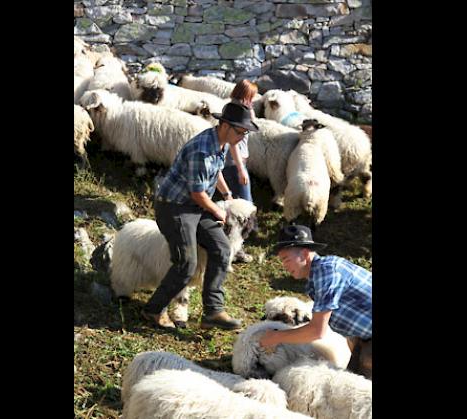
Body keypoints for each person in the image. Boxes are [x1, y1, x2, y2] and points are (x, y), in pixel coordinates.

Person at [141, 102, 259, 330]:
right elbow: (197, 192)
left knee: (222, 248)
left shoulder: (221, 143)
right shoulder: (201, 150)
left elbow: (216, 172)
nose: (242, 137)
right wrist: (218, 210)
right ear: (224, 125)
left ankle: (213, 311)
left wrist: (226, 194)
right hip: (175, 207)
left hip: (195, 205)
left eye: (245, 133)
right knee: (186, 262)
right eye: (240, 132)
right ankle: (153, 309)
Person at [259, 225, 373, 378]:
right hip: (364, 338)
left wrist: (275, 337)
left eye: (286, 259)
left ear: (305, 254)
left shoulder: (326, 272)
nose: (284, 266)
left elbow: (317, 331)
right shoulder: (318, 277)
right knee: (351, 383)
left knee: (362, 393)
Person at [221, 80, 258, 264]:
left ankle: (233, 246)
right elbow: (233, 143)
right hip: (234, 165)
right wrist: (241, 168)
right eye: (252, 95)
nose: (254, 99)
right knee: (245, 207)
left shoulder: (235, 108)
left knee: (236, 206)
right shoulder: (237, 111)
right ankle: (237, 249)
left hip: (236, 164)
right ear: (246, 94)